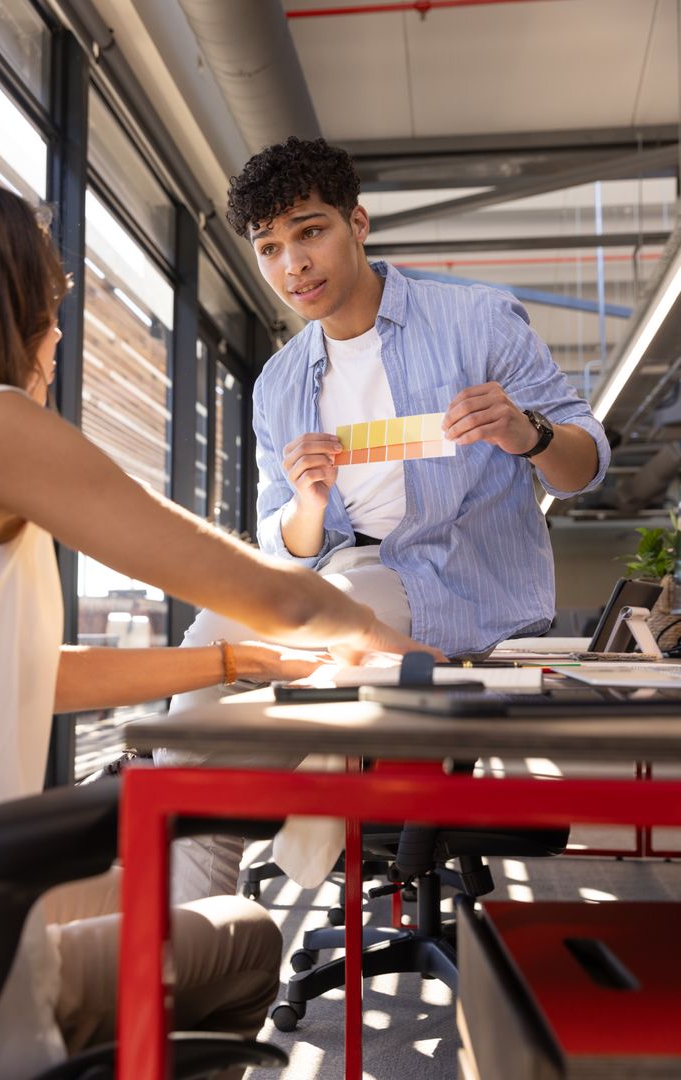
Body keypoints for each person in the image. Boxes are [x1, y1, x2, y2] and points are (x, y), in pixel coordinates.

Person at [0, 170, 435, 1080]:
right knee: (249, 937)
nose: (58, 331)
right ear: (1, 301)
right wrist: (402, 655)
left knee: (143, 888)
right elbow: (281, 589)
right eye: (48, 304)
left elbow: (34, 672)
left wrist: (229, 658)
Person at [163, 135, 610, 894]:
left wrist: (526, 431)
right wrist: (306, 501)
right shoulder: (278, 384)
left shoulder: (477, 322)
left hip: (456, 578)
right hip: (338, 574)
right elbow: (288, 540)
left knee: (309, 639)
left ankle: (193, 823)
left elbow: (586, 465)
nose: (292, 265)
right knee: (207, 639)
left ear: (357, 223)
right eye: (270, 248)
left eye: (310, 231)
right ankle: (189, 913)